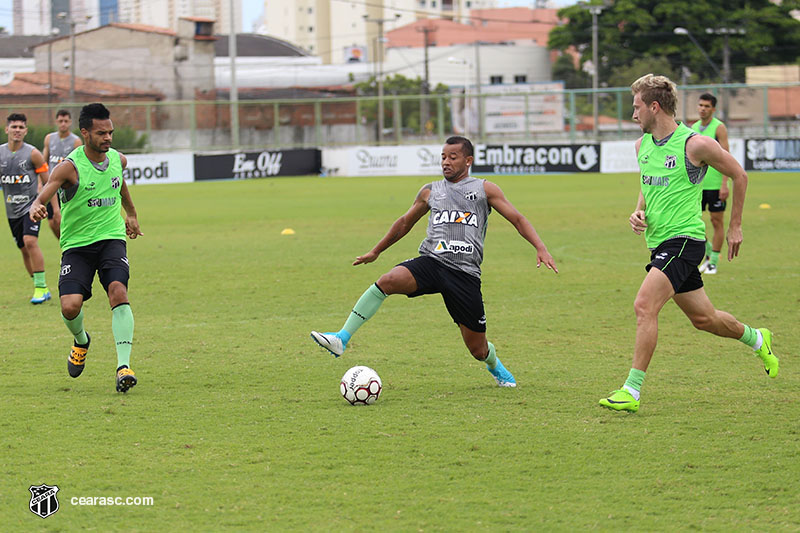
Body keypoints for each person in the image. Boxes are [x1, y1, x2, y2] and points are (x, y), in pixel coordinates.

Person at [310, 136, 558, 387]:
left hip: (465, 274)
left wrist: (541, 248)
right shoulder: (430, 191)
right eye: (443, 157)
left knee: (477, 349)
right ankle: (341, 338)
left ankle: (494, 364)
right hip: (432, 262)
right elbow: (404, 223)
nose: (446, 162)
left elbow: (518, 219)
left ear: (468, 160)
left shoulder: (485, 189)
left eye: (453, 157)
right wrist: (376, 251)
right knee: (388, 280)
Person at [599, 74, 778, 413]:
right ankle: (757, 338)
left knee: (644, 306)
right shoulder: (642, 146)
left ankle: (631, 391)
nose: (633, 115)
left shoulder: (694, 144)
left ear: (654, 107)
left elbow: (740, 175)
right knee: (704, 319)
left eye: (636, 107)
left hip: (684, 241)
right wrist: (638, 211)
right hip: (659, 242)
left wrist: (735, 225)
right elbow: (648, 185)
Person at [30, 103, 143, 393]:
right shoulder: (69, 168)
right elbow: (42, 196)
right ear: (85, 133)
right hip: (77, 245)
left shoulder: (118, 159)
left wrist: (131, 213)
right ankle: (81, 340)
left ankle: (124, 367)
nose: (108, 138)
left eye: (110, 132)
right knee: (70, 306)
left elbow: (119, 184)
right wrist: (36, 206)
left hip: (111, 239)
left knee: (118, 291)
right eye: (101, 133)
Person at [1, 113, 56, 304]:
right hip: (11, 210)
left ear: (26, 131)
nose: (17, 130)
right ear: (7, 129)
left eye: (21, 127)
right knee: (24, 249)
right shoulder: (0, 153)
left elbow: (49, 183)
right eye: (14, 127)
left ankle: (40, 289)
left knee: (30, 241)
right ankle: (41, 286)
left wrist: (54, 209)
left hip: (31, 207)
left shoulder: (33, 153)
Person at [690, 93, 729, 275]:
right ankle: (708, 252)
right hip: (698, 185)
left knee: (716, 221)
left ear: (713, 109)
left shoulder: (719, 128)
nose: (702, 109)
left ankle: (713, 262)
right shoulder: (694, 128)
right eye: (700, 105)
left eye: (706, 106)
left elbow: (726, 157)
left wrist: (724, 184)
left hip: (715, 185)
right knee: (693, 222)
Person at [42, 109, 82, 239]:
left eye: (66, 121)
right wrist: (41, 182)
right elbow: (44, 163)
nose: (63, 124)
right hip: (52, 186)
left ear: (70, 122)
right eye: (60, 121)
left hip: (67, 187)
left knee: (65, 219)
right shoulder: (49, 138)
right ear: (56, 122)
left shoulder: (76, 141)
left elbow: (79, 166)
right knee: (52, 222)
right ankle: (65, 244)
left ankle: (72, 243)